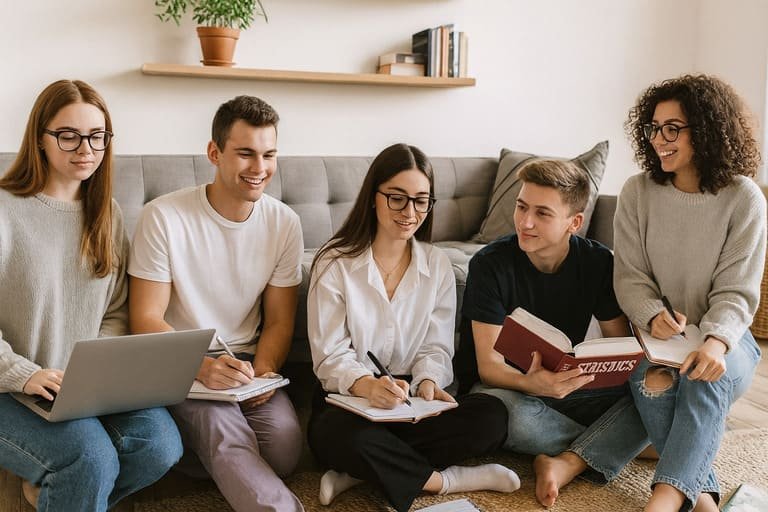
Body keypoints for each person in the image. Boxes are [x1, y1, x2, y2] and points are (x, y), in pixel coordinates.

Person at [0, 79, 182, 511]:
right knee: (89, 458)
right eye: (69, 136)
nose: (86, 149)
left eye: (97, 136)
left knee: (159, 445)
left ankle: (57, 495)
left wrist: (93, 373)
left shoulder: (106, 214)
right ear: (40, 139)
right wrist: (23, 373)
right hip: (10, 386)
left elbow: (115, 311)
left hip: (77, 388)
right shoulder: (5, 209)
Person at [307, 143, 519, 512]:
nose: (410, 213)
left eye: (421, 201)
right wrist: (368, 386)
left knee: (491, 417)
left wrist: (428, 383)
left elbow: (436, 346)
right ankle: (445, 481)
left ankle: (361, 472)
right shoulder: (334, 263)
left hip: (411, 400)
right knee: (333, 434)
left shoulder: (437, 264)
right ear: (373, 197)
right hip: (351, 397)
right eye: (397, 198)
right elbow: (330, 357)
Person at [128, 95, 304, 512]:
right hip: (182, 361)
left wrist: (263, 375)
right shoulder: (163, 217)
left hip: (246, 363)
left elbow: (279, 322)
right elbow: (145, 319)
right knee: (226, 434)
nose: (259, 168)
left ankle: (201, 457)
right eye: (245, 153)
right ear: (214, 152)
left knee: (284, 448)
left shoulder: (284, 223)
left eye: (268, 155)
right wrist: (202, 368)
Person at [461, 158, 651, 507]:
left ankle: (569, 460)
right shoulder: (490, 264)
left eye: (542, 213)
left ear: (574, 223)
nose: (525, 222)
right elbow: (488, 368)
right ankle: (625, 441)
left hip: (567, 389)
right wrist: (533, 383)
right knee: (510, 417)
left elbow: (618, 348)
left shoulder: (598, 262)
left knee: (651, 389)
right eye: (521, 207)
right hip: (508, 391)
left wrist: (594, 373)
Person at [614, 74, 765, 512]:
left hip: (728, 339)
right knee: (651, 383)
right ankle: (703, 503)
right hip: (660, 340)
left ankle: (662, 503)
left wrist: (715, 343)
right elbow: (629, 276)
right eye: (654, 128)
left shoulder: (744, 198)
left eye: (672, 129)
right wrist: (650, 314)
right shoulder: (637, 192)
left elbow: (737, 291)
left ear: (707, 130)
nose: (659, 140)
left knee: (704, 378)